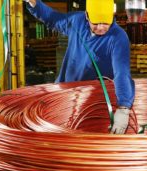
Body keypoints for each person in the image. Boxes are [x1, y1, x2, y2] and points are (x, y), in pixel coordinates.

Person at [23, 0, 135, 134]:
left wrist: (123, 107)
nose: (100, 28)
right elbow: (53, 18)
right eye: (95, 23)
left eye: (105, 23)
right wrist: (34, 3)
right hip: (65, 92)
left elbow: (121, 72)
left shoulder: (118, 37)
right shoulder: (77, 21)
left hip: (95, 101)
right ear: (87, 16)